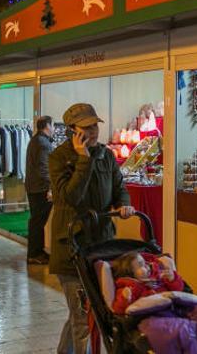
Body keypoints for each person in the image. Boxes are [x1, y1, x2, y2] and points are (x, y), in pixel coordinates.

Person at [49, 103, 135, 354]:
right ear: (72, 131)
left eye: (95, 125)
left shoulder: (107, 156)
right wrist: (83, 160)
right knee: (82, 316)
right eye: (86, 127)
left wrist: (124, 205)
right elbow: (70, 197)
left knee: (90, 310)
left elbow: (119, 187)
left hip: (102, 245)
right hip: (71, 248)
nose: (93, 132)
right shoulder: (59, 158)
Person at [109, 252, 197, 353]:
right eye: (140, 265)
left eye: (144, 262)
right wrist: (125, 298)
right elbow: (119, 309)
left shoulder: (158, 277)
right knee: (184, 335)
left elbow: (179, 290)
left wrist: (172, 279)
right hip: (153, 317)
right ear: (130, 272)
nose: (146, 265)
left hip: (179, 309)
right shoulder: (128, 288)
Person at [25, 115, 54, 265]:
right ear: (47, 126)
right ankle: (34, 253)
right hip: (39, 188)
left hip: (33, 186)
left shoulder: (36, 140)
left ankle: (37, 251)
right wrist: (52, 185)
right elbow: (43, 169)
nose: (54, 129)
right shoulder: (43, 143)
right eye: (53, 125)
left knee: (37, 220)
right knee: (38, 221)